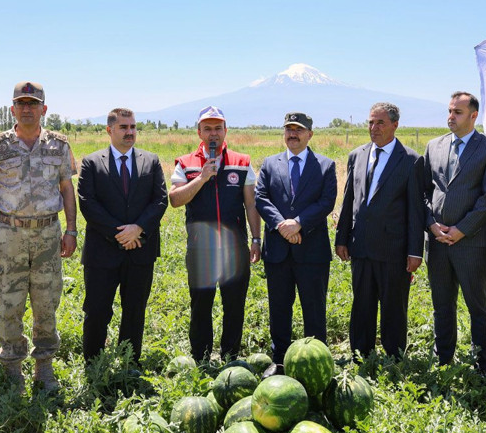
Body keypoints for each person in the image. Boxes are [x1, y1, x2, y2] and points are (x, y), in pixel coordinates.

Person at [0, 81, 77, 391]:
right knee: (9, 301)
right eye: (22, 103)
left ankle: (43, 368)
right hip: (8, 234)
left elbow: (66, 190)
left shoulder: (59, 146)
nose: (27, 108)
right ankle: (12, 369)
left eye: (33, 103)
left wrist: (71, 229)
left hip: (48, 234)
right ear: (13, 109)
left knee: (47, 301)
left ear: (44, 109)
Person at [168, 106, 261, 363]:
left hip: (235, 249)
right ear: (199, 132)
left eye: (217, 128)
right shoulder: (185, 164)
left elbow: (251, 204)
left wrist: (255, 239)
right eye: (207, 128)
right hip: (202, 250)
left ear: (225, 131)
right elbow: (175, 199)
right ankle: (201, 358)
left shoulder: (242, 162)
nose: (213, 134)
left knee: (234, 306)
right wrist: (201, 178)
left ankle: (231, 357)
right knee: (201, 306)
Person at [423, 91, 486, 373]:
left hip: (471, 243)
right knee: (441, 306)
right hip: (437, 241)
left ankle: (481, 365)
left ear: (473, 116)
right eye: (449, 111)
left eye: (457, 112)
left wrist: (462, 229)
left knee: (477, 306)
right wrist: (432, 225)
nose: (451, 117)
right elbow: (424, 192)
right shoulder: (434, 146)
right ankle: (443, 360)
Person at [77, 108, 167, 366]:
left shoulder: (151, 161)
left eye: (133, 127)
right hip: (102, 253)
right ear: (109, 130)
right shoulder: (92, 163)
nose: (130, 132)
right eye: (124, 127)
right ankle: (93, 364)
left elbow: (160, 200)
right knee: (96, 311)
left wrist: (138, 229)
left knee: (134, 311)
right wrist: (120, 233)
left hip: (140, 250)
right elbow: (88, 203)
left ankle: (130, 364)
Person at [335, 102, 424, 360]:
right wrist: (342, 238)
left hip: (393, 249)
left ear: (395, 125)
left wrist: (415, 251)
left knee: (394, 306)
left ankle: (394, 357)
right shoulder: (357, 155)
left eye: (380, 123)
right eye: (371, 122)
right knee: (361, 303)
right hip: (361, 246)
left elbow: (415, 211)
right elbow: (349, 199)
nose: (374, 128)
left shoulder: (410, 160)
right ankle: (361, 354)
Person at [255, 112, 337, 373]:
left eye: (298, 130)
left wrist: (299, 222)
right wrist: (282, 225)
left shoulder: (325, 165)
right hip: (278, 251)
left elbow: (327, 201)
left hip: (312, 251)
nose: (292, 134)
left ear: (310, 134)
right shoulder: (269, 164)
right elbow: (261, 199)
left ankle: (316, 363)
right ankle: (280, 360)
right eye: (288, 129)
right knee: (279, 308)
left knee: (314, 308)